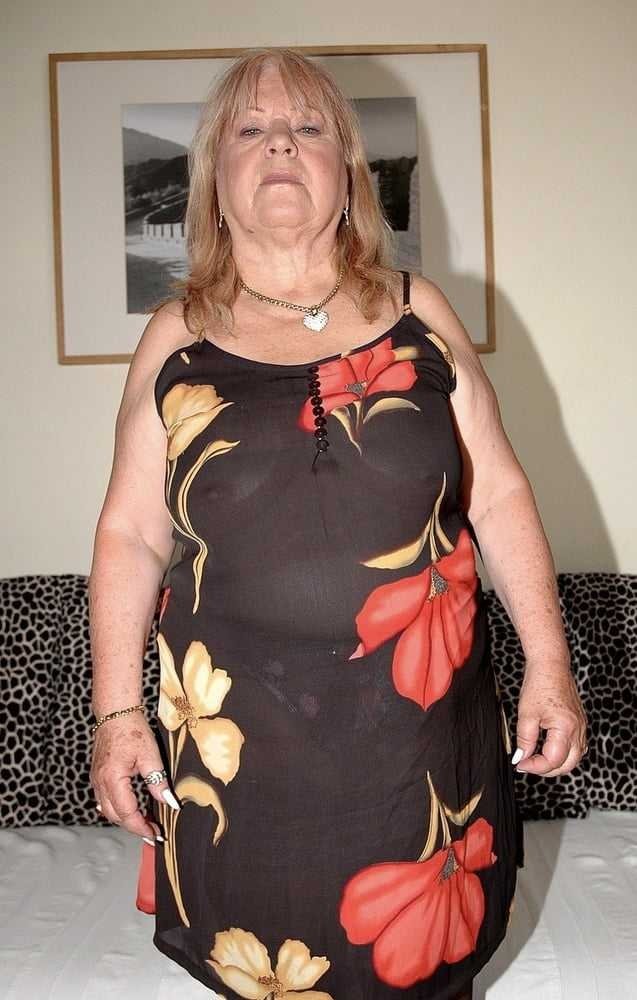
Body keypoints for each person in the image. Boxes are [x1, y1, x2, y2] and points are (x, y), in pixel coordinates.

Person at [88, 47, 588, 1000]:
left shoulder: (416, 310)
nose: (281, 142)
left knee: (422, 970)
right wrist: (116, 716)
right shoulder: (176, 335)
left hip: (419, 747)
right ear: (216, 176)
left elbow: (497, 495)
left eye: (307, 126)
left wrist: (551, 666)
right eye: (252, 128)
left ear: (346, 172)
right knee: (264, 972)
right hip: (243, 758)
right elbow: (131, 533)